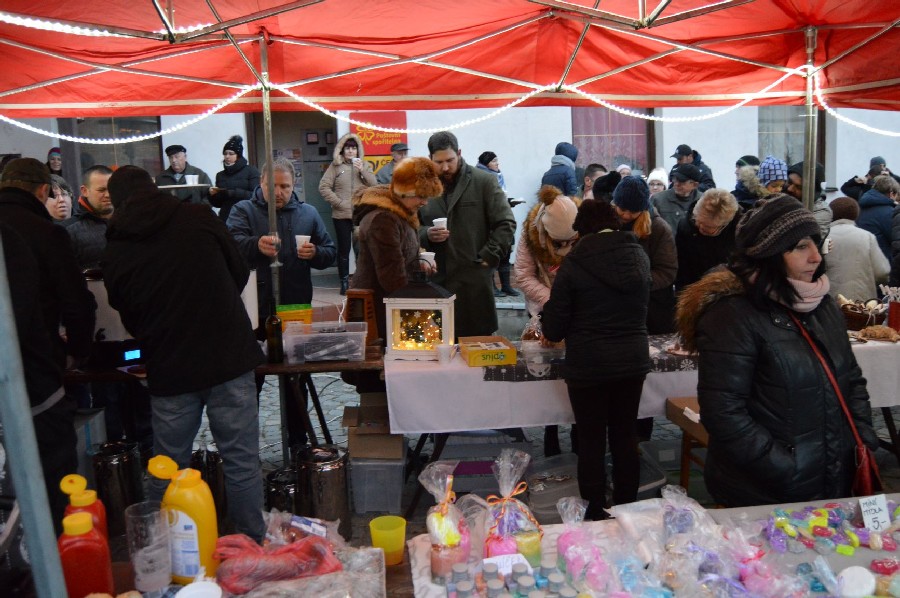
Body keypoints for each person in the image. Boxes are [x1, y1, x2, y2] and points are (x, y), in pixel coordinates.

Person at [675, 195, 878, 507]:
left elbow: (851, 380)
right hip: (764, 491)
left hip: (833, 479)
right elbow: (724, 412)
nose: (816, 257)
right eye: (800, 247)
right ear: (768, 254)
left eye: (815, 243)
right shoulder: (732, 315)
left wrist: (861, 439)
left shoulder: (823, 305)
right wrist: (786, 467)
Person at [102, 166, 266, 541]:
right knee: (241, 461)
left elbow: (128, 314)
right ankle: (250, 545)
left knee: (167, 464)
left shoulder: (116, 248)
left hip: (170, 365)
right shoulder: (197, 217)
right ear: (154, 188)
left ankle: (163, 545)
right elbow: (239, 271)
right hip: (227, 356)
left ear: (116, 201)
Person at [0, 158, 96, 531]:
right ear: (43, 191)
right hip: (36, 373)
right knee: (53, 471)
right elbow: (77, 302)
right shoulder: (46, 233)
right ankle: (55, 547)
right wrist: (77, 352)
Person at [541, 198, 651, 518]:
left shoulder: (575, 263)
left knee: (591, 441)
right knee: (625, 436)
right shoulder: (639, 256)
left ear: (582, 230)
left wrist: (551, 313)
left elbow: (554, 328)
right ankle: (628, 510)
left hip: (589, 364)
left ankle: (595, 513)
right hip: (632, 360)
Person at [419, 131, 516, 339]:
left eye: (450, 160)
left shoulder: (484, 181)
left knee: (477, 348)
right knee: (437, 347)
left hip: (474, 283)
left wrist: (487, 258)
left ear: (459, 153)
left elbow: (505, 223)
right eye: (439, 162)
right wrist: (426, 233)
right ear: (430, 159)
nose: (445, 167)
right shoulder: (422, 186)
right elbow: (410, 226)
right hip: (436, 282)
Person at [228, 157, 337, 325]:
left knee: (297, 341)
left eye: (284, 186)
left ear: (293, 184)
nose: (277, 193)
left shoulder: (308, 213)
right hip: (257, 304)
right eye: (271, 186)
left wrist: (315, 252)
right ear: (261, 182)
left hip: (297, 303)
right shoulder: (243, 210)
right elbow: (231, 247)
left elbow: (330, 253)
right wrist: (256, 244)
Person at [352, 157, 442, 343]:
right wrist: (419, 315)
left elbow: (403, 250)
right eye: (421, 196)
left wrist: (420, 258)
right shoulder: (384, 220)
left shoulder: (401, 214)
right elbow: (392, 276)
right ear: (404, 191)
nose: (424, 202)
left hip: (391, 304)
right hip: (379, 311)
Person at [318, 133, 377, 294]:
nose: (351, 151)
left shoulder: (364, 165)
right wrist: (339, 203)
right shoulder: (335, 166)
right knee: (344, 250)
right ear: (342, 150)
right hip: (341, 216)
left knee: (362, 250)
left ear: (358, 150)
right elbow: (323, 187)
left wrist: (362, 170)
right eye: (347, 148)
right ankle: (344, 282)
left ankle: (361, 281)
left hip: (360, 215)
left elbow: (374, 185)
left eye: (353, 148)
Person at [514, 185, 580, 319]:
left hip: (577, 308)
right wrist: (552, 300)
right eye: (559, 241)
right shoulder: (530, 234)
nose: (565, 245)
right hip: (543, 308)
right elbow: (523, 275)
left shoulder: (587, 229)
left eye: (571, 240)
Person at [675, 188, 741, 291]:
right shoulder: (685, 226)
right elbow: (682, 268)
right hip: (694, 287)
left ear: (724, 224)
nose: (701, 228)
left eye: (708, 227)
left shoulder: (741, 230)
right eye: (698, 221)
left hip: (729, 287)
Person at [824, 197, 889, 300]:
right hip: (861, 299)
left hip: (828, 300)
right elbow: (882, 272)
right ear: (855, 213)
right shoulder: (867, 237)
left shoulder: (823, 238)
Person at [476, 151, 517, 297]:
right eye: (494, 161)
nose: (497, 163)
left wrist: (508, 202)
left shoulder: (498, 176)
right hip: (489, 223)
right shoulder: (482, 178)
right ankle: (492, 287)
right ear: (486, 163)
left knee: (506, 252)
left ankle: (506, 286)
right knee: (493, 254)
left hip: (502, 219)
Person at [63, 164, 113, 270]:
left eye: (111, 189)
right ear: (85, 191)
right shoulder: (69, 230)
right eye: (101, 190)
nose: (108, 195)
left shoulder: (128, 222)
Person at [210, 135, 260, 224]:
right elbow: (218, 204)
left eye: (231, 153)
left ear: (238, 155)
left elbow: (257, 195)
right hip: (226, 217)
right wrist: (212, 195)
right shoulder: (220, 175)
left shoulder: (251, 171)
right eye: (225, 153)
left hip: (246, 216)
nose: (227, 156)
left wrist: (234, 193)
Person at [857, 174, 899, 262]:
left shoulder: (860, 207)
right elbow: (896, 238)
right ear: (891, 194)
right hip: (881, 260)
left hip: (861, 258)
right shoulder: (890, 212)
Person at [785, 161, 832, 238]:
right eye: (789, 182)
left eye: (798, 187)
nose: (790, 189)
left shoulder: (821, 211)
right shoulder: (782, 199)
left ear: (812, 190)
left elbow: (807, 240)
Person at [651, 163, 702, 233]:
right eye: (675, 179)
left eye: (682, 181)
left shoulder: (703, 201)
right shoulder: (658, 200)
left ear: (695, 185)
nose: (676, 184)